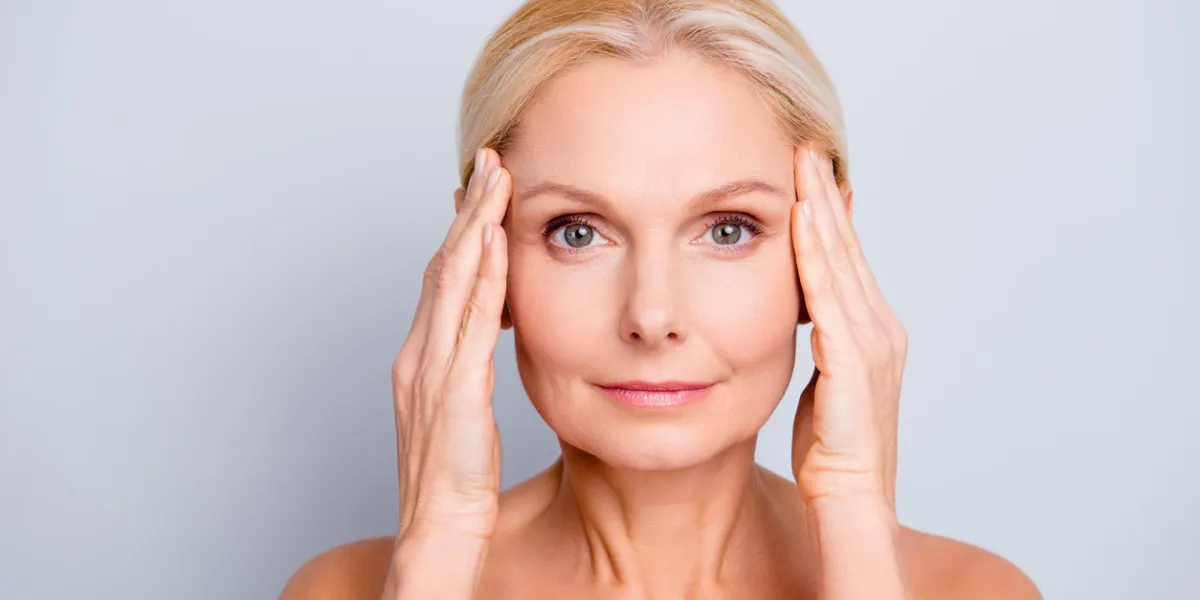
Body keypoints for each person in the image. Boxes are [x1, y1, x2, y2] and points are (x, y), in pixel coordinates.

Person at [282, 0, 1041, 598]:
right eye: (577, 233)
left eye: (728, 229)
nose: (651, 316)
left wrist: (857, 529)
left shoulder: (973, 593)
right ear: (481, 259)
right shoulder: (347, 592)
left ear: (826, 249)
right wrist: (436, 549)